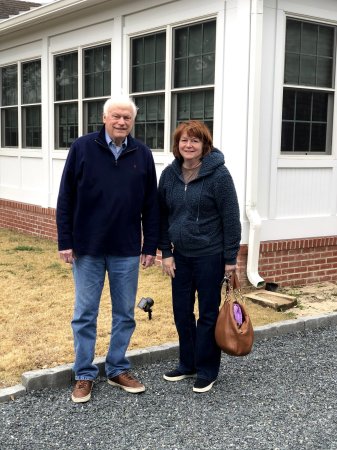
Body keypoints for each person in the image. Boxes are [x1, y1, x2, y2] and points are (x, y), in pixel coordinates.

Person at [56, 95, 159, 403]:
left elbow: (151, 205)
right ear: (104, 118)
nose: (121, 122)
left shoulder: (142, 154)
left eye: (127, 117)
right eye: (116, 116)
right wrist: (65, 241)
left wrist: (150, 244)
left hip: (126, 249)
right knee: (85, 313)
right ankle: (84, 374)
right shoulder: (83, 148)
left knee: (125, 314)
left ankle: (116, 368)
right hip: (87, 247)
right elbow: (66, 198)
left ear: (133, 121)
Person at [158, 120, 241, 393]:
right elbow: (160, 217)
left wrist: (231, 259)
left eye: (195, 140)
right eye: (184, 140)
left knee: (207, 314)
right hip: (179, 257)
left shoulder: (219, 175)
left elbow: (231, 219)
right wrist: (166, 253)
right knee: (182, 312)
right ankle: (188, 363)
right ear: (177, 145)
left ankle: (207, 369)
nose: (189, 145)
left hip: (210, 256)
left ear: (205, 145)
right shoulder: (169, 176)